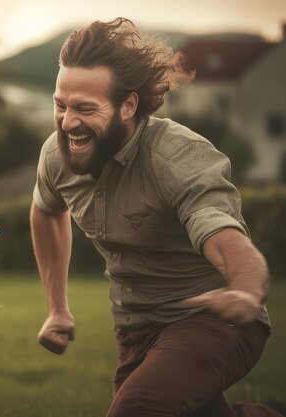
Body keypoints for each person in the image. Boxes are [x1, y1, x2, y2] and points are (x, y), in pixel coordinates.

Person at [30, 17, 283, 417]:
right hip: (136, 331)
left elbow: (222, 233)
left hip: (215, 321)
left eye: (84, 108)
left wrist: (247, 288)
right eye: (60, 105)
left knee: (137, 410)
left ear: (128, 105)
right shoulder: (58, 154)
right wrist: (57, 307)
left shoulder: (178, 158)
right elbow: (46, 211)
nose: (67, 122)